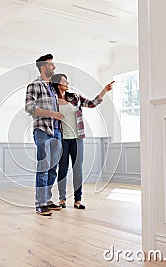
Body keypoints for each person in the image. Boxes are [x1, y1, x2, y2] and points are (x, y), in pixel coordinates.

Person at [51, 73, 114, 209]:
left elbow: (91, 104)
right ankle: (62, 199)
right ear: (57, 84)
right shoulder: (53, 101)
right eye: (64, 81)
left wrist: (104, 91)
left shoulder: (75, 98)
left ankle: (77, 200)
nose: (67, 83)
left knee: (77, 169)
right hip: (62, 139)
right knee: (62, 169)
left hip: (77, 139)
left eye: (67, 81)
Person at [25, 54, 65, 216]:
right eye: (51, 65)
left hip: (57, 132)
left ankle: (47, 200)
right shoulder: (34, 86)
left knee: (52, 169)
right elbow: (29, 108)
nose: (54, 67)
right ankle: (40, 203)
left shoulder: (52, 88)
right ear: (43, 67)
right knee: (43, 167)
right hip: (43, 131)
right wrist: (51, 113)